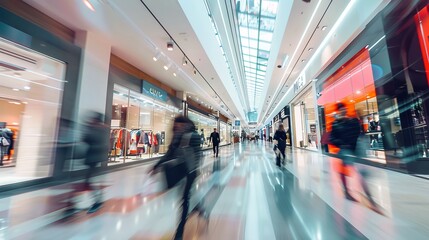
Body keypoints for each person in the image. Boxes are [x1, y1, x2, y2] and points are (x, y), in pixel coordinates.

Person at [150, 116, 203, 240]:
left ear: (186, 124)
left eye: (180, 124)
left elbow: (198, 154)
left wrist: (194, 170)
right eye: (176, 124)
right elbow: (169, 153)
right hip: (179, 171)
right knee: (186, 195)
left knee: (185, 199)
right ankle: (200, 207)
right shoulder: (176, 137)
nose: (177, 126)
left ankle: (180, 231)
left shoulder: (193, 135)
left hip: (190, 171)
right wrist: (156, 166)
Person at [330, 103, 378, 207]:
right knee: (344, 170)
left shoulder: (352, 121)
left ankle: (368, 196)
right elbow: (332, 138)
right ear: (338, 111)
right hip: (345, 149)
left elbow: (358, 131)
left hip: (355, 148)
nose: (343, 111)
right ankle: (347, 191)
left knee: (360, 172)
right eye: (341, 110)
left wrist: (357, 120)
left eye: (344, 109)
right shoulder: (336, 124)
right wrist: (341, 143)